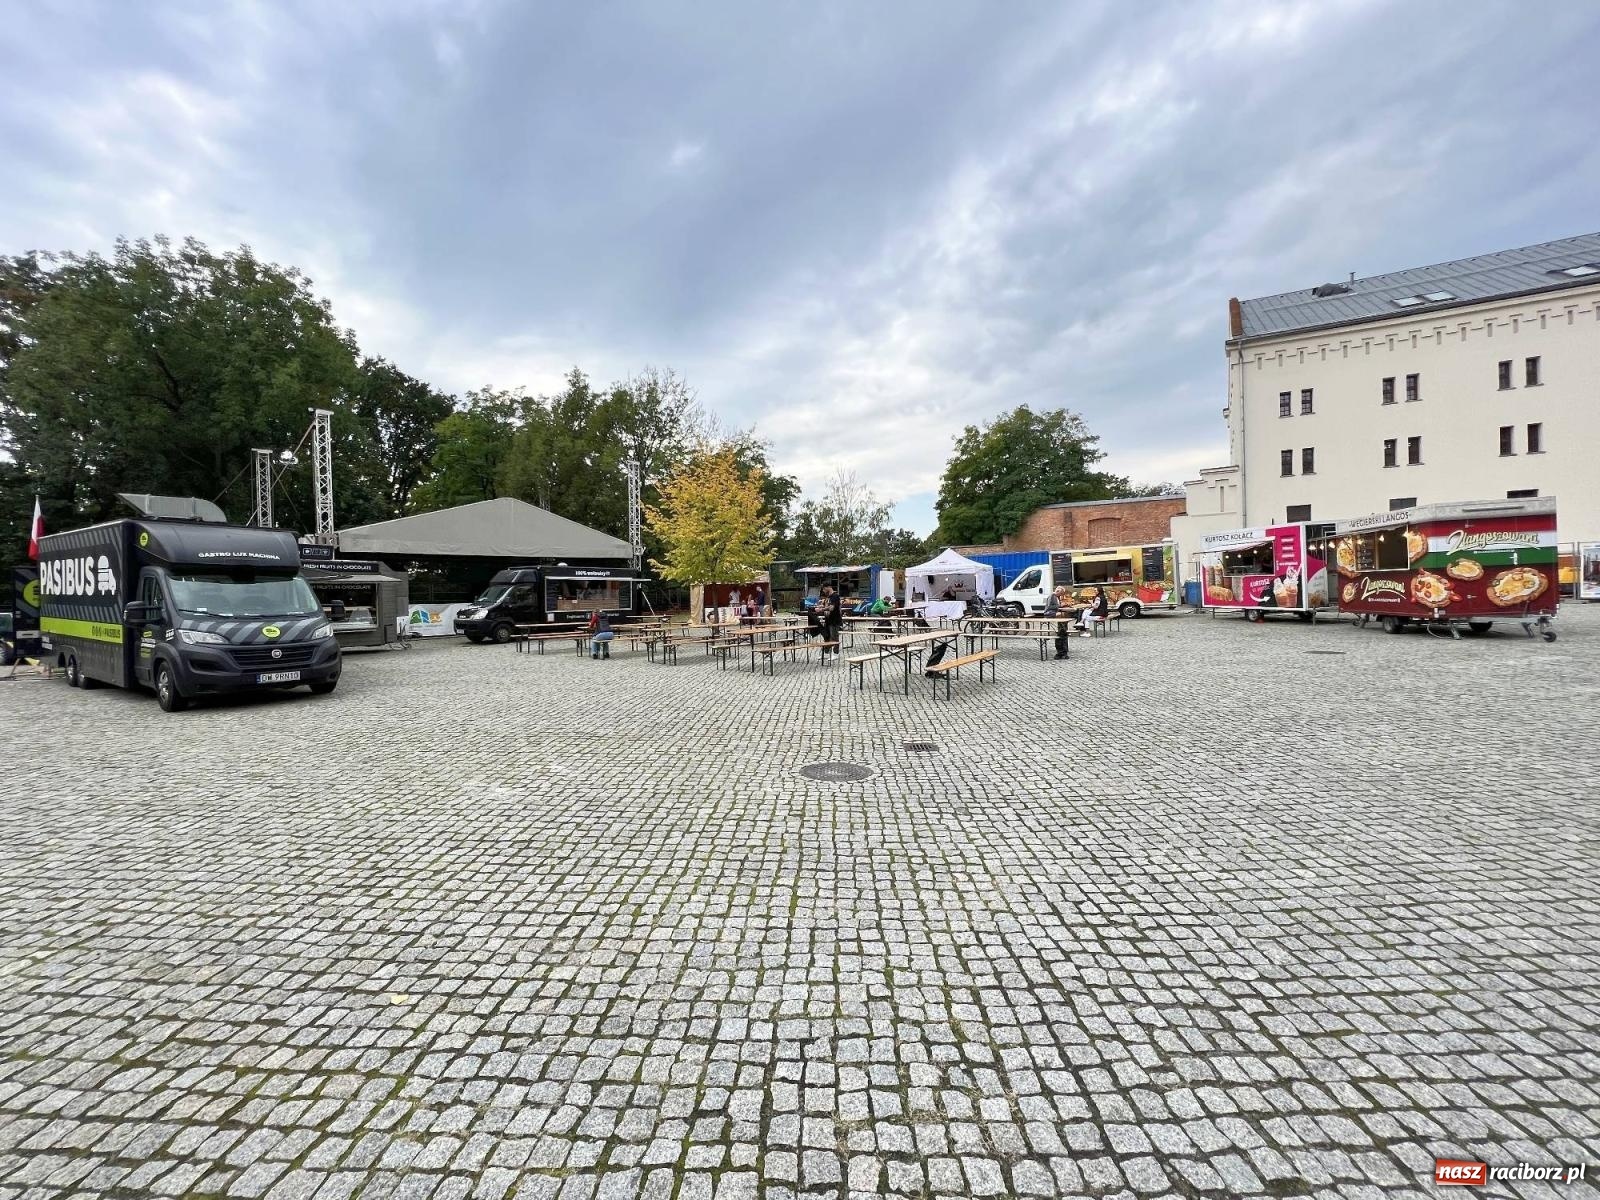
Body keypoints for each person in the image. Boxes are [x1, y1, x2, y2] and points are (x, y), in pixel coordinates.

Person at [1045, 586, 1072, 659]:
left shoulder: (1057, 597)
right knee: (1061, 617)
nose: (1061, 595)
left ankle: (1063, 651)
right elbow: (1050, 607)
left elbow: (1057, 607)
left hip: (1056, 613)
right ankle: (1062, 651)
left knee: (1062, 630)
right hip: (1050, 613)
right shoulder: (1052, 596)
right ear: (1058, 592)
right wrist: (1060, 606)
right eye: (1061, 593)